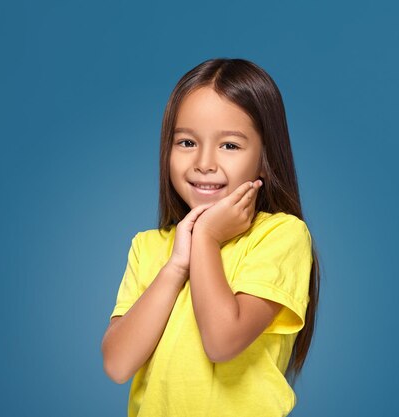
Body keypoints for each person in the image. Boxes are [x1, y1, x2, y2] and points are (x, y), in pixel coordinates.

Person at [101, 58, 322, 417]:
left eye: (230, 146)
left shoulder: (281, 236)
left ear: (265, 158)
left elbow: (221, 341)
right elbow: (117, 364)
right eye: (187, 142)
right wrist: (175, 267)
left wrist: (205, 238)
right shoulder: (148, 247)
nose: (204, 162)